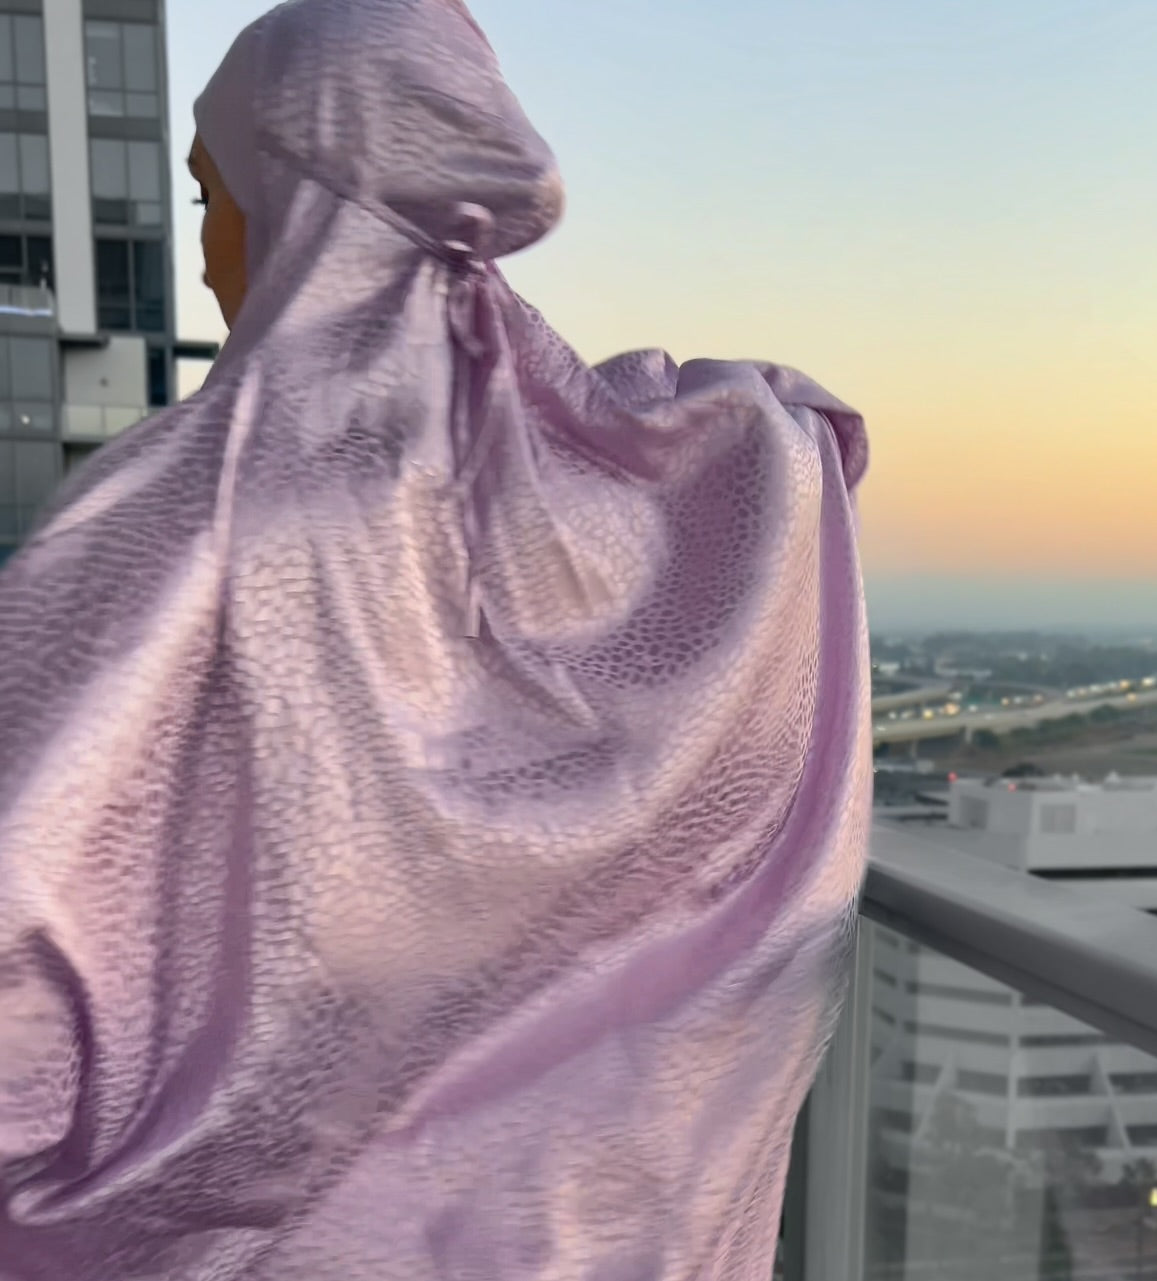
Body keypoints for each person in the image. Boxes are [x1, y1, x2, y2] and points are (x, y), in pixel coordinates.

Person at [0, 1, 870, 1277]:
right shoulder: (702, 476)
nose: (205, 256)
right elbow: (794, 444)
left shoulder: (187, 518)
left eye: (214, 197)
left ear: (298, 188)